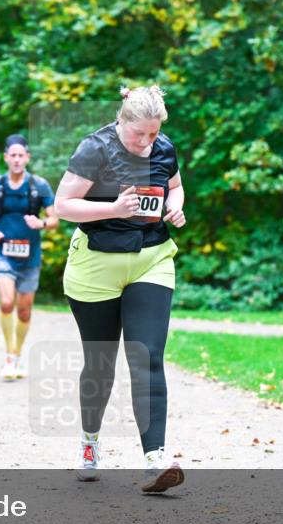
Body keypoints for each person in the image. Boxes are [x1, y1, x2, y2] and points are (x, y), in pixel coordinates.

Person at [54, 85, 188, 494]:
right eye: (139, 135)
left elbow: (176, 185)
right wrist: (112, 209)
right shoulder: (94, 150)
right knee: (100, 363)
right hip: (96, 265)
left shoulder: (164, 148)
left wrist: (177, 205)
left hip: (152, 258)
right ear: (121, 122)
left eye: (153, 135)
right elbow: (63, 205)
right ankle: (90, 444)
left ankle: (155, 459)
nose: (147, 143)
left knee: (147, 356)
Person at [0, 134, 57, 380]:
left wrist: (41, 222)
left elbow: (55, 219)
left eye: (21, 155)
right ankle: (9, 356)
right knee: (5, 302)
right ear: (6, 158)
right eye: (12, 155)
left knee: (24, 312)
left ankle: (18, 354)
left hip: (30, 255)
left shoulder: (39, 186)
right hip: (2, 252)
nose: (16, 159)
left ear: (27, 158)